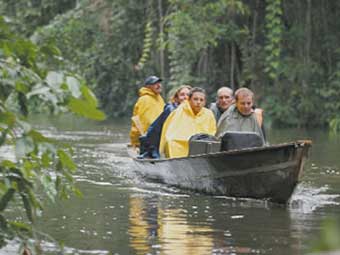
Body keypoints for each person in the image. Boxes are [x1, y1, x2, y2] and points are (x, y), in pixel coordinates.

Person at [159, 87, 216, 158]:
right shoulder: (179, 111)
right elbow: (171, 133)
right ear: (189, 100)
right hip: (181, 143)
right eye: (195, 99)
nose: (198, 102)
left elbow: (212, 132)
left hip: (202, 144)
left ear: (205, 102)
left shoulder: (208, 113)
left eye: (201, 100)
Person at [139, 85, 192, 159]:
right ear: (177, 97)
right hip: (169, 141)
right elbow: (157, 128)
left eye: (188, 95)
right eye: (182, 95)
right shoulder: (170, 109)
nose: (185, 97)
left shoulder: (195, 112)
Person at [129, 75, 165, 147]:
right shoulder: (144, 99)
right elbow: (144, 122)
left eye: (159, 83)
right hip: (149, 138)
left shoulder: (159, 98)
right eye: (155, 84)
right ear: (148, 87)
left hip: (159, 135)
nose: (158, 85)